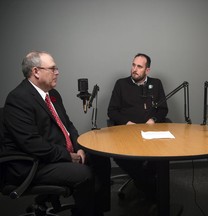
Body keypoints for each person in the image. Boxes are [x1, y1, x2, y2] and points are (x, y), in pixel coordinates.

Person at [2, 51, 110, 216]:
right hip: (33, 164)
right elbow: (32, 144)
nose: (57, 72)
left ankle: (97, 211)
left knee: (101, 157)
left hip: (54, 154)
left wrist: (78, 147)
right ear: (36, 72)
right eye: (52, 69)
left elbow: (68, 125)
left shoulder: (53, 94)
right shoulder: (18, 98)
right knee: (84, 174)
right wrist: (69, 156)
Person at [107, 53, 168, 197]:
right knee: (126, 159)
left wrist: (153, 119)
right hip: (127, 133)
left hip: (151, 133)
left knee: (161, 155)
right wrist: (127, 123)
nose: (134, 69)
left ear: (147, 70)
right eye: (133, 65)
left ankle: (145, 183)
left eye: (139, 66)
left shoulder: (156, 84)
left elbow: (163, 109)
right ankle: (151, 190)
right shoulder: (121, 84)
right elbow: (111, 111)